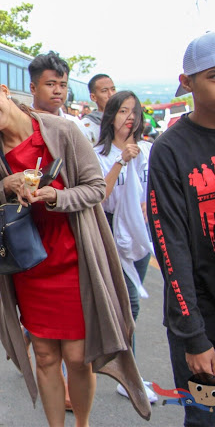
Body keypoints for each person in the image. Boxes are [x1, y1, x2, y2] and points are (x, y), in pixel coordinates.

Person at [0, 73, 150, 427]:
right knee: (45, 356)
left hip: (74, 261)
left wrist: (58, 196)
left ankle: (82, 423)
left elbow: (95, 189)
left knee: (78, 357)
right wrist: (6, 184)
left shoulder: (61, 130)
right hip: (29, 266)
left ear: (3, 91)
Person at [147, 31, 215, 427]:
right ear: (187, 82)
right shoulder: (171, 149)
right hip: (202, 319)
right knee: (207, 418)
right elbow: (171, 247)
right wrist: (193, 336)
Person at [93, 91, 158, 404]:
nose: (130, 117)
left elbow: (154, 190)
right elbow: (99, 196)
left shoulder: (149, 149)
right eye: (123, 111)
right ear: (111, 116)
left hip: (140, 237)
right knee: (128, 305)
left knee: (127, 307)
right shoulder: (98, 154)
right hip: (110, 236)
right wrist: (121, 161)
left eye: (135, 111)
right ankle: (128, 377)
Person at [81, 74, 117, 144]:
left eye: (113, 89)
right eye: (104, 91)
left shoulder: (124, 120)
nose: (111, 94)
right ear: (93, 97)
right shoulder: (86, 126)